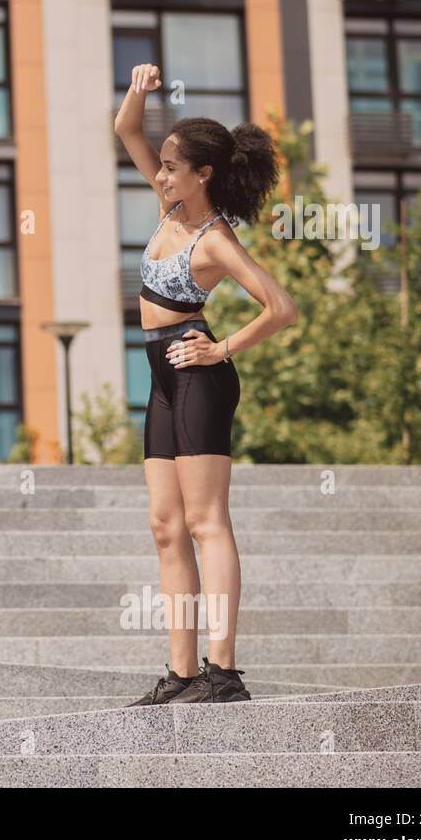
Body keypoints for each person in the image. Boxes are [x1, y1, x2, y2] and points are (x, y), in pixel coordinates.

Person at [113, 62, 297, 706]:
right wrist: (138, 89)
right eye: (160, 165)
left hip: (198, 377)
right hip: (160, 378)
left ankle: (223, 674)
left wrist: (221, 348)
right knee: (166, 527)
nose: (160, 174)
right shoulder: (168, 208)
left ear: (203, 174)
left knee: (205, 521)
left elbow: (281, 307)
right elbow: (125, 129)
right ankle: (181, 674)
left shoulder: (215, 241)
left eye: (171, 166)